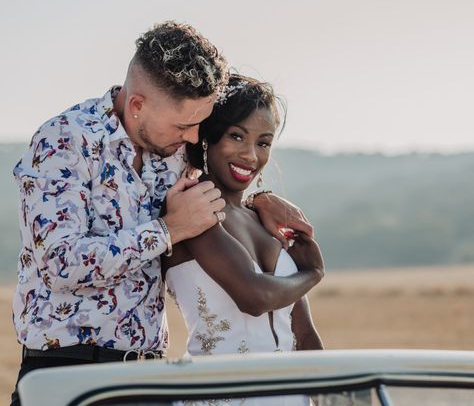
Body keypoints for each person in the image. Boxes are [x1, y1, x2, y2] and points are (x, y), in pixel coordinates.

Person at [11, 22, 316, 406]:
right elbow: (61, 262)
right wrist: (168, 230)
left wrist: (261, 199)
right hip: (68, 375)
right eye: (185, 125)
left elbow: (227, 169)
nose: (191, 138)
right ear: (138, 105)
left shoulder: (173, 150)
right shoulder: (64, 140)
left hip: (151, 378)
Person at [164, 74, 323, 404]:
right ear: (208, 137)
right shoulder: (194, 209)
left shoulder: (266, 219)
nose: (251, 155)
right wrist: (311, 274)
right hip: (220, 395)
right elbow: (254, 297)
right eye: (237, 136)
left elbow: (304, 335)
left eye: (263, 143)